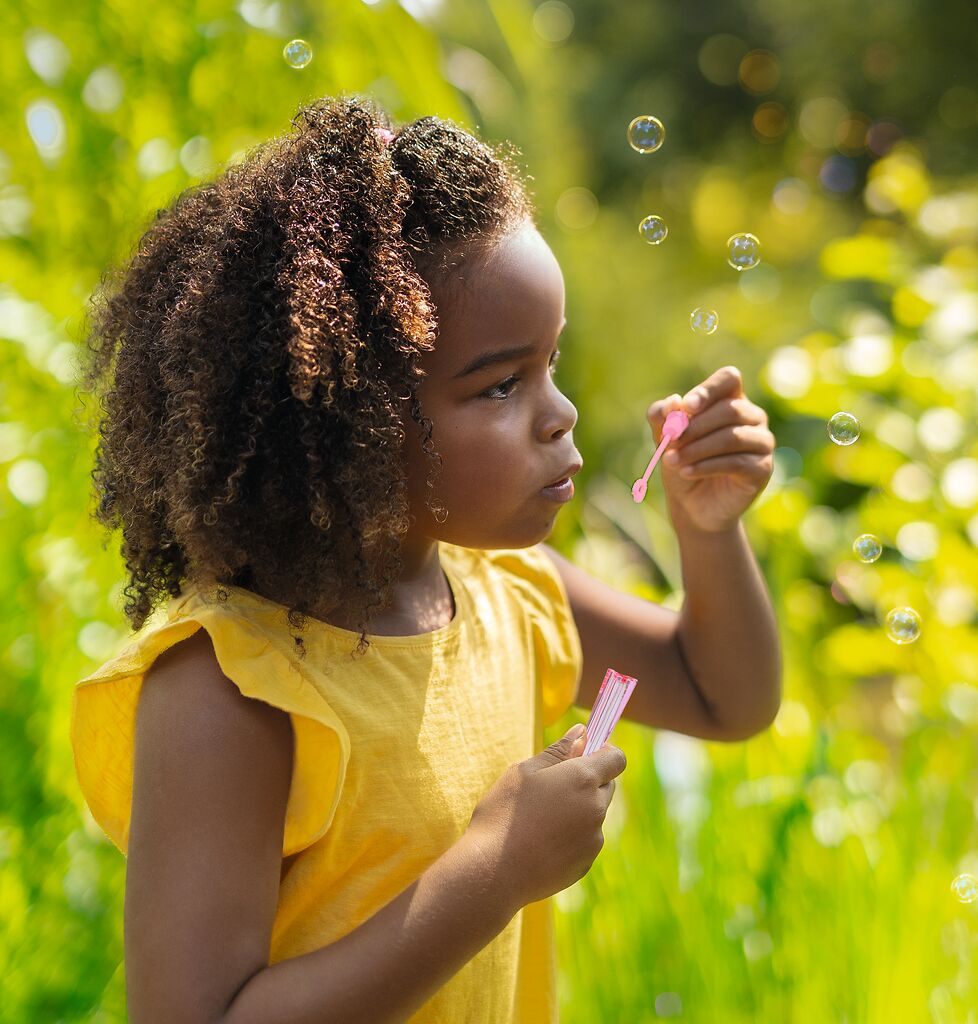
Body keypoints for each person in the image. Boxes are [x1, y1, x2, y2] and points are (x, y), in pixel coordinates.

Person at [70, 93, 781, 1024]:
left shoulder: (509, 594)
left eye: (552, 363)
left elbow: (724, 696)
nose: (560, 413)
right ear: (348, 420)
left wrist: (708, 529)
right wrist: (496, 870)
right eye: (502, 384)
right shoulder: (232, 689)